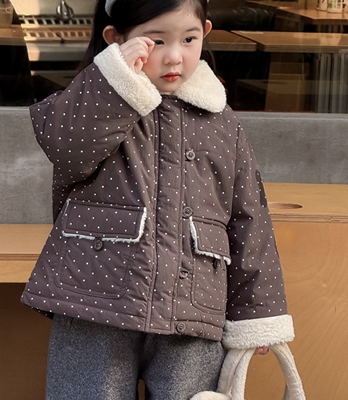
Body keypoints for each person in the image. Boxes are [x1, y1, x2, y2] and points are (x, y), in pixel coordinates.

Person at [21, 0, 296, 399]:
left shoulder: (222, 122)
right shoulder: (95, 104)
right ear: (116, 39)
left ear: (205, 32)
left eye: (189, 39)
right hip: (95, 301)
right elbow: (66, 147)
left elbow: (249, 218)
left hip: (194, 306)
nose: (174, 56)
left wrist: (258, 313)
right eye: (156, 41)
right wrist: (114, 76)